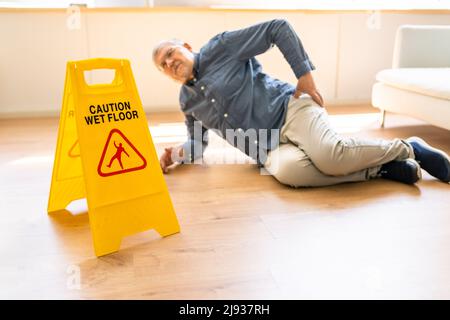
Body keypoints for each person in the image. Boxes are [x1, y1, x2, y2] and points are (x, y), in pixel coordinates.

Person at [152, 19, 450, 187]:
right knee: (291, 174)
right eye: (163, 65)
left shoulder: (221, 47)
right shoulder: (187, 102)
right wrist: (175, 154)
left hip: (290, 110)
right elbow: (197, 145)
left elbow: (277, 28)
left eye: (170, 53)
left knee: (330, 157)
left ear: (186, 47)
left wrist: (304, 76)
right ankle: (382, 170)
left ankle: (409, 147)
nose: (169, 63)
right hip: (268, 148)